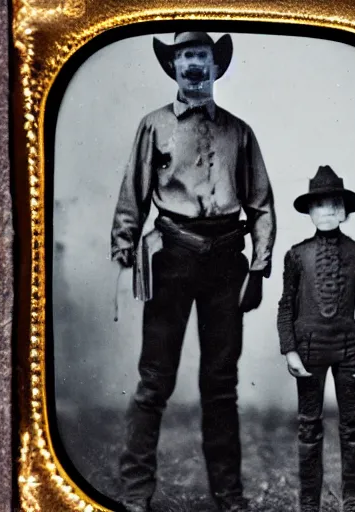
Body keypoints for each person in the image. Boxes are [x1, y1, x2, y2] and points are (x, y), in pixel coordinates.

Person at [111, 31, 276, 512]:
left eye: (201, 55)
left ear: (215, 65)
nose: (194, 65)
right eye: (185, 56)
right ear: (174, 67)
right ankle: (135, 493)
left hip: (227, 262)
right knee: (154, 381)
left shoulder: (239, 132)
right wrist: (124, 260)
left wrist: (259, 266)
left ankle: (230, 497)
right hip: (172, 258)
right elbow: (131, 198)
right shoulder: (153, 126)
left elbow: (261, 205)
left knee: (220, 384)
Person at [276, 166, 355, 512]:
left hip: (350, 351)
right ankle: (309, 503)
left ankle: (353, 500)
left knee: (352, 426)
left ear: (344, 211)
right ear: (309, 211)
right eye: (318, 205)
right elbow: (285, 307)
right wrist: (289, 350)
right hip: (308, 352)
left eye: (333, 205)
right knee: (308, 427)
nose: (326, 212)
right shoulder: (295, 255)